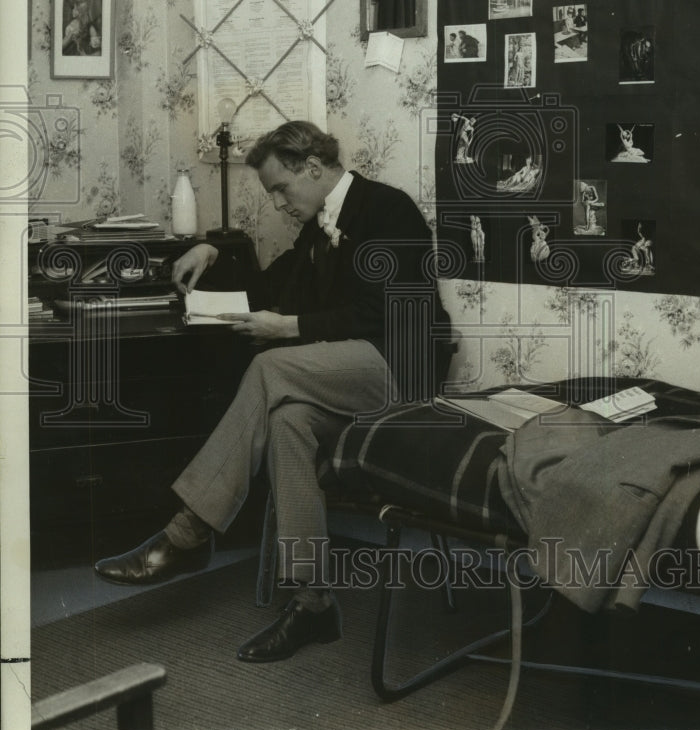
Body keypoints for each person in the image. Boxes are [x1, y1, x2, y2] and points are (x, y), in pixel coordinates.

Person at [94, 122, 451, 663]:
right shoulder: (316, 228)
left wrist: (289, 329)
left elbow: (386, 313)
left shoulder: (387, 209)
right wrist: (211, 251)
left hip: (400, 371)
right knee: (288, 423)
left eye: (282, 189)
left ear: (313, 167)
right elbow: (272, 286)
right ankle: (313, 603)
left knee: (270, 368)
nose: (279, 204)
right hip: (348, 378)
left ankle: (188, 533)